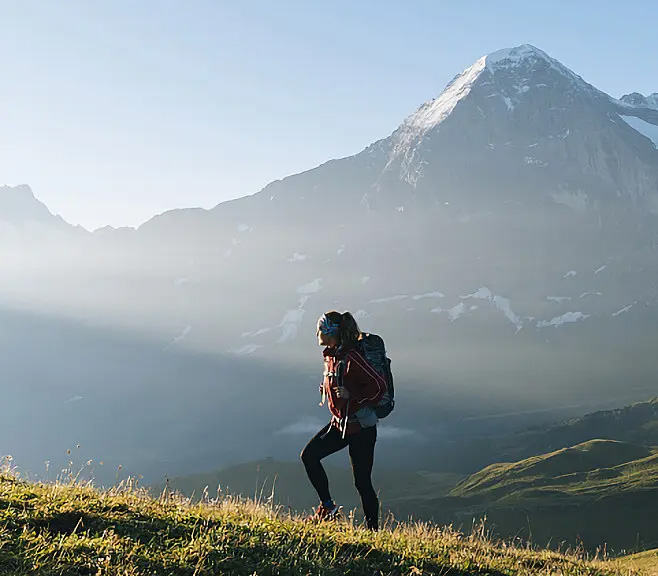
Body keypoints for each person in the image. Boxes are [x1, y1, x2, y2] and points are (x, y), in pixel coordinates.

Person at [300, 311, 387, 530]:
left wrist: (352, 396)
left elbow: (378, 387)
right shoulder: (332, 355)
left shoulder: (352, 357)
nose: (317, 333)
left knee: (362, 482)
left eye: (320, 329)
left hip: (361, 428)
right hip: (341, 423)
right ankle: (328, 508)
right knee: (309, 456)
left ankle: (373, 533)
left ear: (330, 332)